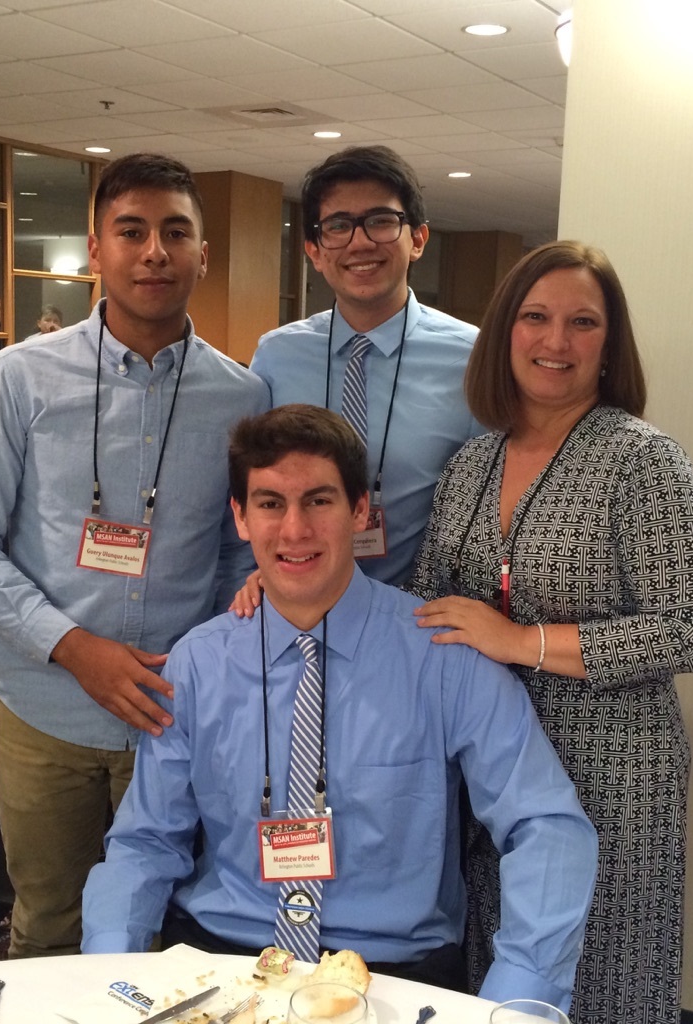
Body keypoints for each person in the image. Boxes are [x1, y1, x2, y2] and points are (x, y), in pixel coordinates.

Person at [82, 405, 598, 1013]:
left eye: (319, 501)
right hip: (222, 965)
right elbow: (145, 842)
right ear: (241, 519)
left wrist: (516, 1000)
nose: (294, 529)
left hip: (393, 975)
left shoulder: (443, 657)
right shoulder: (198, 663)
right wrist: (110, 978)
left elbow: (546, 827)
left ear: (359, 511)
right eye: (270, 503)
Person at [0, 152, 269, 959]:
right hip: (46, 712)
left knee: (164, 935)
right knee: (49, 926)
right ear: (97, 248)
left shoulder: (242, 398)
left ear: (201, 255)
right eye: (131, 230)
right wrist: (77, 649)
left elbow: (235, 555)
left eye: (174, 232)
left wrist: (208, 654)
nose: (153, 250)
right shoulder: (21, 378)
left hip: (174, 717)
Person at [408, 241, 693, 1024]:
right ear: (503, 332)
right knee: (501, 970)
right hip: (490, 769)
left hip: (611, 774)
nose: (555, 341)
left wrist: (520, 641)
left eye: (582, 323)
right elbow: (428, 602)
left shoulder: (641, 461)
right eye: (536, 318)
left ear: (609, 345)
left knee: (599, 978)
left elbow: (691, 629)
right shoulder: (472, 463)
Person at [250, 146, 482, 586]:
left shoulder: (472, 359)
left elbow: (486, 509)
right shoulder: (277, 356)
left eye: (380, 221)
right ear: (315, 252)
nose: (359, 242)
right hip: (293, 605)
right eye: (338, 226)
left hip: (418, 621)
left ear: (417, 239)